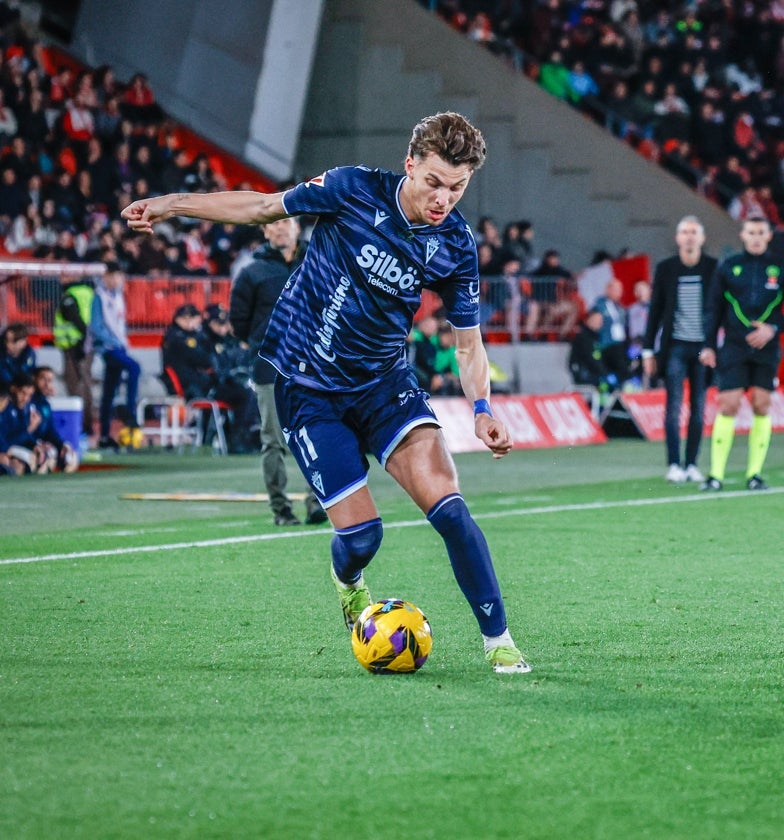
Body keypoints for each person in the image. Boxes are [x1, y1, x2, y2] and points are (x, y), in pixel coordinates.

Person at [122, 112, 530, 674]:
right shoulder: (352, 188)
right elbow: (262, 207)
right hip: (308, 388)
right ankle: (348, 578)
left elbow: (468, 344)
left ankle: (499, 641)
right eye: (434, 182)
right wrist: (171, 204)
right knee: (363, 537)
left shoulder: (455, 245)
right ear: (409, 165)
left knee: (452, 511)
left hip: (385, 387)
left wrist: (483, 409)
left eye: (457, 188)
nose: (443, 199)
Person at [699, 216, 784, 492]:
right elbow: (713, 309)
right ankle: (715, 475)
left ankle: (754, 474)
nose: (756, 237)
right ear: (743, 235)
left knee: (761, 404)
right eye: (751, 232)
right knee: (728, 404)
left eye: (761, 232)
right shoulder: (729, 267)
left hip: (766, 348)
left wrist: (773, 328)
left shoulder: (781, 268)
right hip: (734, 346)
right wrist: (708, 345)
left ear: (768, 235)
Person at [230, 216, 324, 524]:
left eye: (286, 223)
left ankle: (317, 502)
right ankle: (281, 510)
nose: (281, 228)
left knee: (318, 434)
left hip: (313, 364)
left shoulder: (318, 261)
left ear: (298, 227)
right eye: (274, 224)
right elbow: (239, 324)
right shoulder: (251, 273)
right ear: (265, 230)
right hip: (270, 365)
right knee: (273, 440)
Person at [643, 215, 718, 484]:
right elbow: (655, 312)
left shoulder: (713, 268)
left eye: (693, 232)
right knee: (673, 407)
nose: (688, 236)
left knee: (698, 409)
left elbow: (719, 309)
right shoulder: (666, 269)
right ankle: (674, 463)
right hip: (674, 346)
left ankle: (692, 464)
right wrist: (647, 350)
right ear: (677, 238)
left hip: (702, 349)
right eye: (684, 231)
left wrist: (714, 346)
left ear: (702, 238)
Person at [91, 263, 142, 449]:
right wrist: (115, 341)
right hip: (108, 348)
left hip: (119, 346)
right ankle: (130, 412)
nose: (116, 280)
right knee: (134, 368)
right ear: (106, 277)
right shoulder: (99, 297)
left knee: (108, 391)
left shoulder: (118, 296)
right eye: (113, 276)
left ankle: (104, 435)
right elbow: (96, 327)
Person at [203, 303, 259, 454]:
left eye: (225, 323)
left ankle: (251, 434)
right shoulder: (205, 340)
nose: (223, 328)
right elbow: (216, 371)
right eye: (218, 324)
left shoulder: (230, 341)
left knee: (253, 392)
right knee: (245, 395)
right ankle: (238, 436)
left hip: (230, 385)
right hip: (214, 387)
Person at [53, 275, 97, 441]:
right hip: (87, 345)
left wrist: (80, 342)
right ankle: (87, 424)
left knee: (75, 385)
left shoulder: (71, 295)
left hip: (74, 346)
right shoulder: (90, 293)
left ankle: (80, 425)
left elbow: (76, 320)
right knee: (85, 383)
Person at [1, 322, 36, 391]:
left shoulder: (30, 355)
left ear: (23, 342)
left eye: (13, 341)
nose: (8, 344)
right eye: (6, 340)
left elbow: (31, 374)